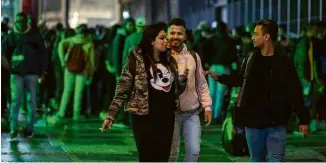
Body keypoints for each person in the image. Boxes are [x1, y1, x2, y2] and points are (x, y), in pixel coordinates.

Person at [217, 19, 310, 162]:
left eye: (255, 34)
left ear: (266, 37)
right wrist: (220, 78)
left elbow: (295, 91)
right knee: (256, 160)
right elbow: (241, 79)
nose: (252, 37)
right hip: (253, 123)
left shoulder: (283, 62)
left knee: (276, 160)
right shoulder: (250, 58)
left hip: (276, 124)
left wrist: (303, 119)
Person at [101, 23, 187, 162]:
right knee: (147, 157)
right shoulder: (137, 58)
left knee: (163, 157)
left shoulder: (171, 59)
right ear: (151, 40)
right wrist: (111, 115)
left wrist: (182, 80)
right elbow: (123, 87)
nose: (166, 41)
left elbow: (177, 90)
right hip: (143, 117)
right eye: (162, 38)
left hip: (166, 116)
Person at [167, 18, 212, 162]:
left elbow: (201, 84)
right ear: (167, 34)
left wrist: (207, 106)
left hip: (191, 113)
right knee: (171, 154)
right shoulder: (161, 56)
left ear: (185, 36)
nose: (175, 36)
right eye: (172, 33)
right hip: (169, 114)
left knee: (194, 152)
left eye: (179, 33)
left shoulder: (193, 56)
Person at [2, 12, 47, 139]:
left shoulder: (11, 37)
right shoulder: (35, 36)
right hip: (29, 74)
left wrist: (9, 69)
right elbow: (43, 54)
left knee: (18, 101)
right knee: (30, 102)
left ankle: (14, 128)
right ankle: (27, 128)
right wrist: (42, 71)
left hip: (18, 74)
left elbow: (3, 55)